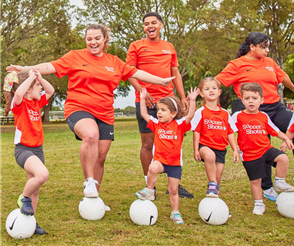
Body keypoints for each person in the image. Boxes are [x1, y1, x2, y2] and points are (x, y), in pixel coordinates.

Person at [6, 24, 175, 210]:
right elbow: (49, 66)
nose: (92, 42)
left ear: (104, 39)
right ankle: (89, 182)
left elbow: (136, 73)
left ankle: (94, 199)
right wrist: (26, 68)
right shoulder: (75, 57)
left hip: (105, 113)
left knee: (100, 157)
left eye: (96, 38)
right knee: (91, 135)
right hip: (78, 108)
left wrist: (161, 80)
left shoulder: (114, 62)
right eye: (89, 39)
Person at [215, 31, 294, 202]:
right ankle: (268, 187)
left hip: (275, 107)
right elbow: (217, 82)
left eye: (268, 47)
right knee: (262, 147)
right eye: (264, 47)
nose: (267, 50)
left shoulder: (269, 62)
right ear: (252, 47)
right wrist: (210, 98)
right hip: (252, 110)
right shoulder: (236, 65)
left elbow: (283, 77)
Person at [126, 12, 193, 198]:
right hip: (146, 101)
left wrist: (182, 97)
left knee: (174, 141)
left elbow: (176, 74)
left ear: (161, 25)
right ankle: (150, 187)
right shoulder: (136, 46)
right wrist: (142, 91)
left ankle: (174, 183)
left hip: (169, 101)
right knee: (148, 144)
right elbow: (129, 72)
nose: (150, 26)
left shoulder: (169, 47)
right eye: (146, 24)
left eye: (153, 23)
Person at [135, 87, 199, 224]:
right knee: (152, 168)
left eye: (163, 110)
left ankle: (175, 212)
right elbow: (144, 114)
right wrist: (141, 98)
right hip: (160, 161)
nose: (159, 112)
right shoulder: (157, 124)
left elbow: (190, 115)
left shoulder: (180, 125)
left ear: (174, 113)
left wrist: (192, 100)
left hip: (175, 165)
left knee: (173, 190)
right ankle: (149, 190)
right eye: (158, 109)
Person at [232, 83, 294, 215]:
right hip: (250, 154)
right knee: (256, 181)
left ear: (262, 100)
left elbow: (275, 130)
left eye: (254, 98)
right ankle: (259, 203)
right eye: (247, 98)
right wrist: (234, 149)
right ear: (242, 100)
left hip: (266, 149)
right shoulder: (237, 116)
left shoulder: (264, 116)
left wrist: (286, 139)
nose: (251, 101)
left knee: (283, 158)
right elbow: (229, 132)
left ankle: (279, 181)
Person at [3, 70, 54, 234]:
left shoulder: (37, 103)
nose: (40, 89)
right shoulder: (19, 104)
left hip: (38, 150)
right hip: (23, 150)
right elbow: (18, 93)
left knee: (36, 189)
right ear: (28, 90)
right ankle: (23, 198)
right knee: (42, 175)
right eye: (38, 86)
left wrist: (39, 78)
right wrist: (32, 77)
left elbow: (51, 91)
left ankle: (30, 222)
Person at [191, 77, 239, 198]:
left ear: (219, 92)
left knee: (217, 178)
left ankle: (215, 199)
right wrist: (196, 149)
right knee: (210, 156)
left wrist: (235, 149)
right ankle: (212, 184)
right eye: (207, 89)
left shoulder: (225, 113)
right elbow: (196, 131)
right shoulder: (200, 112)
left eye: (214, 88)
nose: (211, 91)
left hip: (221, 149)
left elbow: (230, 132)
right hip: (205, 146)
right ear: (202, 94)